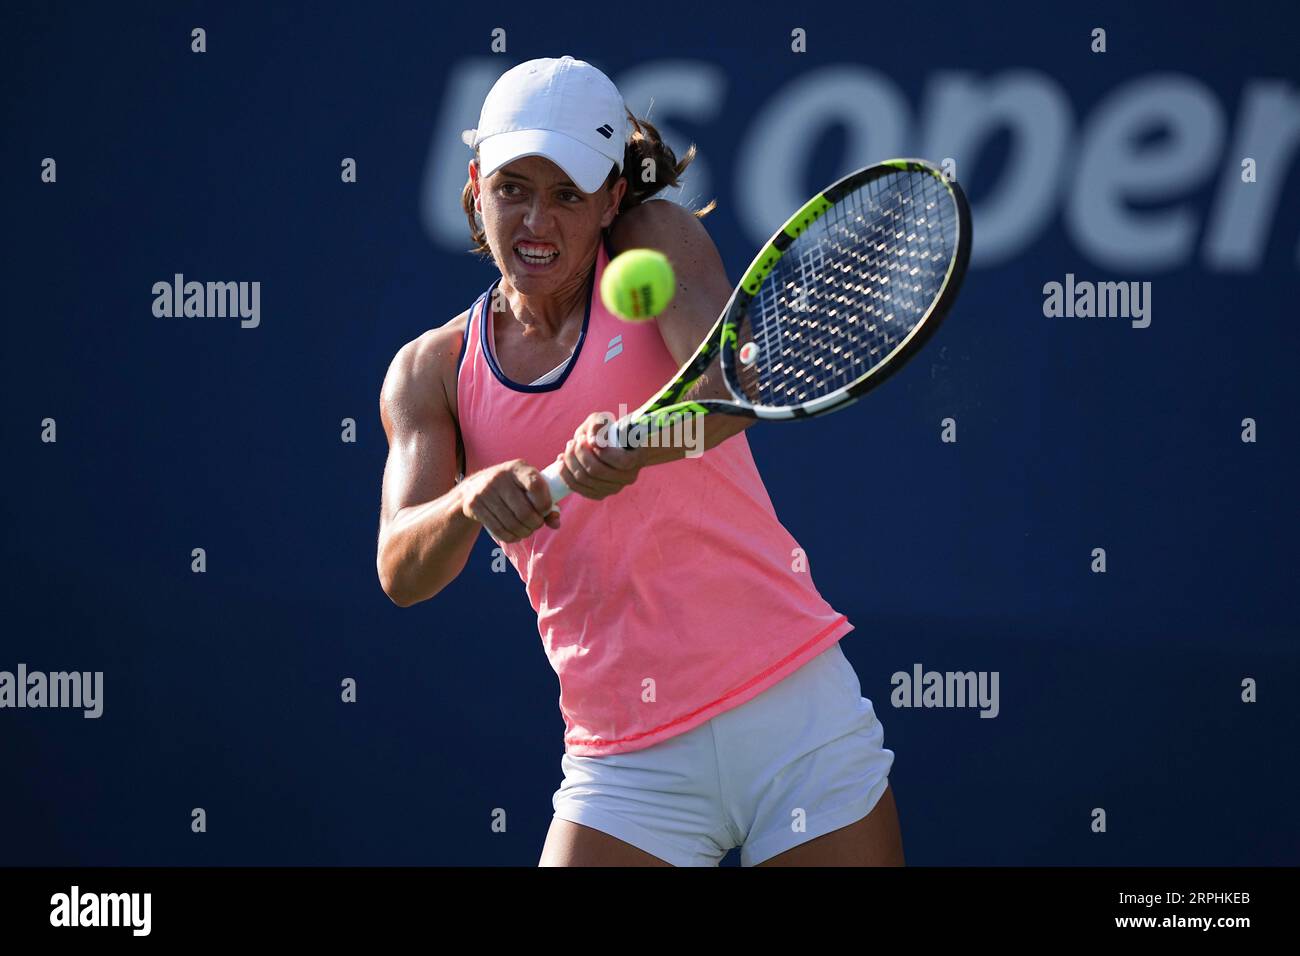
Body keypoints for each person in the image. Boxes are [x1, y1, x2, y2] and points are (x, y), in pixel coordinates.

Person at [376, 54, 902, 866]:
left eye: (567, 195)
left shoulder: (655, 240)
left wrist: (634, 445)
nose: (536, 224)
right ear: (477, 184)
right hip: (623, 763)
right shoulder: (429, 371)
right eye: (514, 188)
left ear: (613, 198)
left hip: (793, 718)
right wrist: (469, 498)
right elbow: (401, 572)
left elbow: (726, 399)